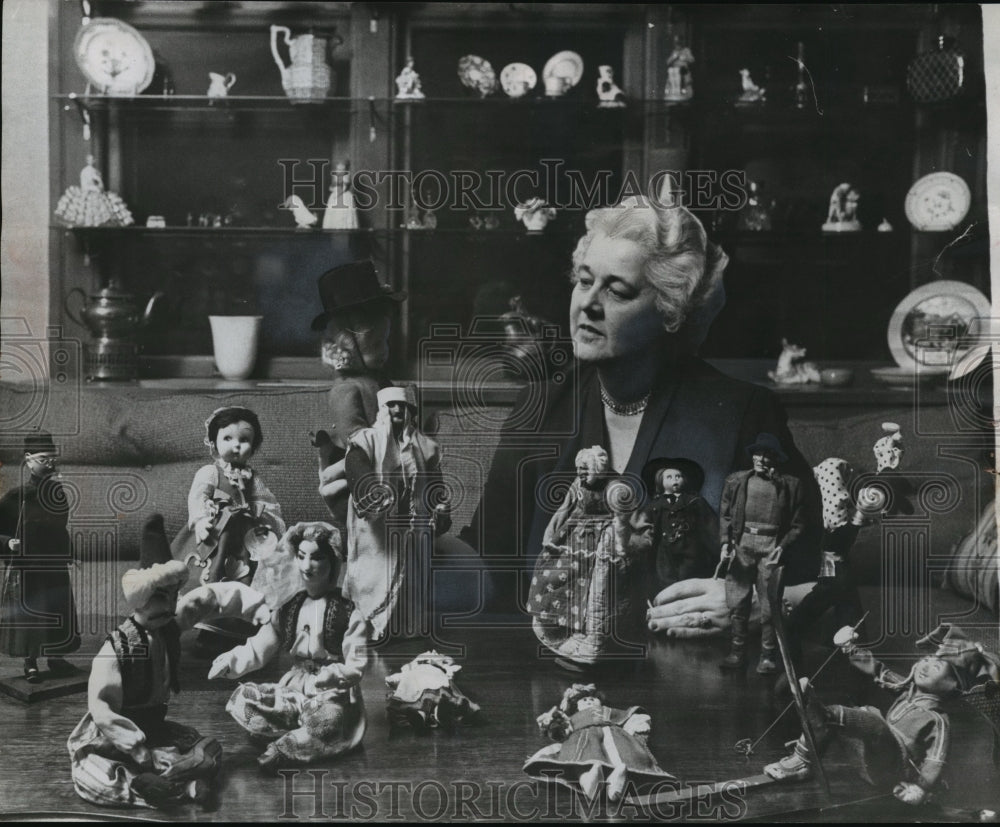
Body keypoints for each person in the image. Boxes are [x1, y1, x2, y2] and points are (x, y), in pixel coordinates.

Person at [459, 198, 819, 635]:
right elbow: (485, 561)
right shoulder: (542, 406)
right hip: (557, 670)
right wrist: (404, 536)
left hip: (691, 679)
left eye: (617, 291)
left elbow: (819, 578)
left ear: (671, 310)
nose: (587, 304)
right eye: (584, 281)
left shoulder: (742, 413)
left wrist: (757, 603)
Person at [67, 514, 271, 810]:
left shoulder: (170, 625)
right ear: (140, 598)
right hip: (112, 735)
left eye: (174, 596)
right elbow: (102, 710)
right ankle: (158, 786)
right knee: (91, 776)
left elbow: (209, 599)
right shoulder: (116, 649)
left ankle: (174, 781)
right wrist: (137, 748)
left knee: (207, 747)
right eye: (162, 598)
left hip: (154, 727)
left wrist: (258, 609)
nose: (171, 606)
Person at [763, 623, 1000, 806]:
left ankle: (816, 712)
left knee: (870, 721)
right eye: (926, 658)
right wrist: (850, 648)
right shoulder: (907, 691)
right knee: (863, 715)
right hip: (872, 757)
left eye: (936, 666)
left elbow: (936, 759)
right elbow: (879, 671)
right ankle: (804, 758)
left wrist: (921, 788)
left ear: (952, 686)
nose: (926, 664)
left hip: (892, 769)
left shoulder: (937, 719)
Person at [209, 522, 367, 773]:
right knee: (245, 697)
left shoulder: (349, 612)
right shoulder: (289, 606)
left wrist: (332, 676)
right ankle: (290, 727)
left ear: (333, 562)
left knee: (327, 719)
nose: (306, 566)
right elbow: (262, 644)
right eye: (301, 557)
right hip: (295, 687)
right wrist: (232, 660)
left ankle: (286, 748)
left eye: (317, 558)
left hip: (331, 693)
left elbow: (357, 665)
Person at [171, 407, 286, 648]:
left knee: (242, 578)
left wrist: (265, 522)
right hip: (215, 535)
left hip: (243, 539)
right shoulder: (210, 472)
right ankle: (204, 627)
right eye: (227, 438)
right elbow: (197, 497)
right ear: (213, 442)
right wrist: (201, 520)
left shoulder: (252, 477)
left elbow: (267, 502)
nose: (236, 445)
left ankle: (229, 632)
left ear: (253, 446)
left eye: (244, 440)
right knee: (208, 576)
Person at [343, 385, 451, 640]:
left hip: (413, 528)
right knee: (372, 576)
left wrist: (440, 508)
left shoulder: (424, 446)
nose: (397, 410)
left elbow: (435, 483)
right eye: (391, 405)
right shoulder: (366, 439)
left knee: (411, 581)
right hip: (376, 529)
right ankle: (370, 631)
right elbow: (355, 465)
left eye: (403, 406)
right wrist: (369, 490)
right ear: (382, 410)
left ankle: (405, 630)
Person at [310, 260, 406, 525]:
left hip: (391, 467)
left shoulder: (379, 380)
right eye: (376, 343)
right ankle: (374, 501)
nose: (384, 349)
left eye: (385, 341)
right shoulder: (345, 390)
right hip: (355, 486)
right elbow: (356, 439)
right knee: (356, 455)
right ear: (348, 345)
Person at [718, 433, 808, 674]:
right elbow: (726, 515)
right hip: (742, 545)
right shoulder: (736, 481)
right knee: (738, 603)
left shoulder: (790, 485)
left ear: (776, 458)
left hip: (771, 548)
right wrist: (726, 543)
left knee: (770, 607)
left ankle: (767, 656)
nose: (761, 458)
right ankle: (737, 653)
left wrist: (782, 547)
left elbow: (799, 524)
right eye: (758, 453)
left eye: (767, 454)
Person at [0, 431, 80, 682]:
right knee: (31, 613)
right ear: (28, 459)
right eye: (44, 459)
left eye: (53, 459)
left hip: (54, 564)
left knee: (58, 609)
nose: (50, 464)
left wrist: (70, 553)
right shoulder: (15, 496)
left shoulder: (58, 492)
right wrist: (7, 543)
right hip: (28, 566)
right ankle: (30, 662)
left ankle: (56, 658)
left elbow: (59, 526)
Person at [523, 683, 675, 802]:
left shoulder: (607, 711)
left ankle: (617, 782)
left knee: (624, 753)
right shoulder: (571, 719)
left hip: (612, 734)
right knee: (578, 758)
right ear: (577, 705)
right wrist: (549, 723)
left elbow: (628, 714)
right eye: (584, 699)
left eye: (592, 699)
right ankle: (588, 781)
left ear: (599, 701)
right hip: (581, 739)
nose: (589, 701)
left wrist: (637, 722)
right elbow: (559, 732)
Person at [642, 456, 718, 590]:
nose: (675, 480)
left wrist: (720, 545)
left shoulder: (695, 502)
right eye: (669, 477)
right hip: (665, 555)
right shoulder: (655, 506)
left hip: (691, 552)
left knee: (690, 585)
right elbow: (643, 525)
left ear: (685, 480)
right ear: (660, 481)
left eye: (678, 476)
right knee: (666, 584)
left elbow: (710, 524)